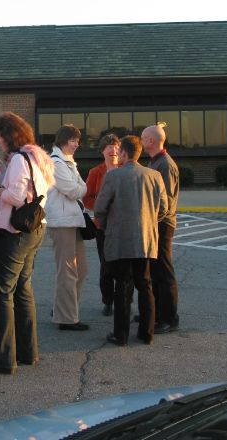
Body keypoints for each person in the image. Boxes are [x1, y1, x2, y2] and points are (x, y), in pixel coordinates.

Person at [0, 112, 54, 374]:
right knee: (22, 289)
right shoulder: (35, 157)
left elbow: (17, 196)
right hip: (34, 229)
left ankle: (4, 358)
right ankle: (27, 351)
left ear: (10, 135)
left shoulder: (20, 160)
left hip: (14, 232)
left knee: (1, 291)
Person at [94, 135, 168, 346]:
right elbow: (163, 209)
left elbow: (99, 208)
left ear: (124, 153)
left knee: (123, 285)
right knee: (145, 285)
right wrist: (148, 223)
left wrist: (107, 225)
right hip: (145, 240)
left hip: (120, 240)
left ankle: (121, 334)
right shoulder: (154, 176)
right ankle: (147, 333)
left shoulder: (113, 176)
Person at [45, 124, 89, 331]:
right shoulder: (56, 163)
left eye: (77, 141)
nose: (76, 144)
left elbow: (80, 187)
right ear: (63, 140)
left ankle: (63, 310)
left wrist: (80, 187)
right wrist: (81, 187)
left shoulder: (68, 162)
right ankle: (66, 318)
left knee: (80, 269)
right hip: (62, 222)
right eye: (73, 140)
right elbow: (74, 190)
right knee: (68, 271)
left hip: (73, 221)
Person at [141, 123, 180, 333]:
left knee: (164, 272)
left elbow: (166, 201)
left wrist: (152, 220)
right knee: (155, 271)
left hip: (162, 225)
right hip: (154, 224)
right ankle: (156, 313)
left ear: (151, 140)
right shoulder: (154, 161)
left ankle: (169, 318)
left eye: (143, 137)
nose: (140, 141)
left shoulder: (165, 165)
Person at [84, 134, 120, 316]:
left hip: (123, 227)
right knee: (106, 267)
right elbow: (87, 197)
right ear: (102, 151)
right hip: (102, 227)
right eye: (109, 147)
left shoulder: (126, 169)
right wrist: (100, 207)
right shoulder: (95, 172)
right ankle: (108, 300)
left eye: (116, 146)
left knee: (124, 267)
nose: (113, 150)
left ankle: (124, 300)